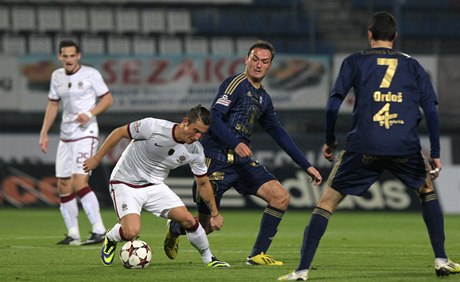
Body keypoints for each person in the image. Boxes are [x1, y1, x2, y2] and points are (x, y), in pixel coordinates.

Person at [278, 11, 460, 281]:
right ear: (394, 37)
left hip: (363, 144)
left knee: (327, 202)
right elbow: (431, 111)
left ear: (370, 35)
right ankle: (441, 259)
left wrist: (329, 140)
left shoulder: (355, 61)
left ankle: (302, 271)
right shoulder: (413, 65)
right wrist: (434, 153)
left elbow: (332, 105)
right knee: (426, 189)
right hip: (404, 145)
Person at [164, 40, 322, 266]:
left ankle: (257, 254)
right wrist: (235, 142)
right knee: (206, 227)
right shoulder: (234, 84)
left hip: (241, 162)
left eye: (264, 61)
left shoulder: (263, 98)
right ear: (246, 60)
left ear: (270, 66)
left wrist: (306, 165)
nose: (259, 65)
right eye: (255, 59)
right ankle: (176, 227)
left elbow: (279, 133)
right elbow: (215, 117)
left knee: (280, 197)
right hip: (214, 160)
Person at [83, 105, 230, 268]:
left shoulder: (195, 151)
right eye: (195, 130)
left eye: (202, 133)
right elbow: (119, 132)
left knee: (188, 220)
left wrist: (215, 213)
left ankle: (209, 259)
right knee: (131, 232)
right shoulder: (152, 126)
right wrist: (96, 158)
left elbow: (203, 183)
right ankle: (111, 237)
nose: (197, 136)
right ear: (185, 122)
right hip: (125, 183)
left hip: (155, 186)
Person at [39, 40, 113, 245]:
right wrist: (44, 132)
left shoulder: (91, 74)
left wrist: (90, 114)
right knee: (63, 185)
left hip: (86, 133)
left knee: (79, 182)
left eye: (72, 55)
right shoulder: (57, 76)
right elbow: (53, 104)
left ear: (78, 56)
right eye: (65, 56)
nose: (69, 59)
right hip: (65, 136)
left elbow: (107, 99)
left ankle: (99, 230)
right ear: (60, 57)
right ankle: (73, 234)